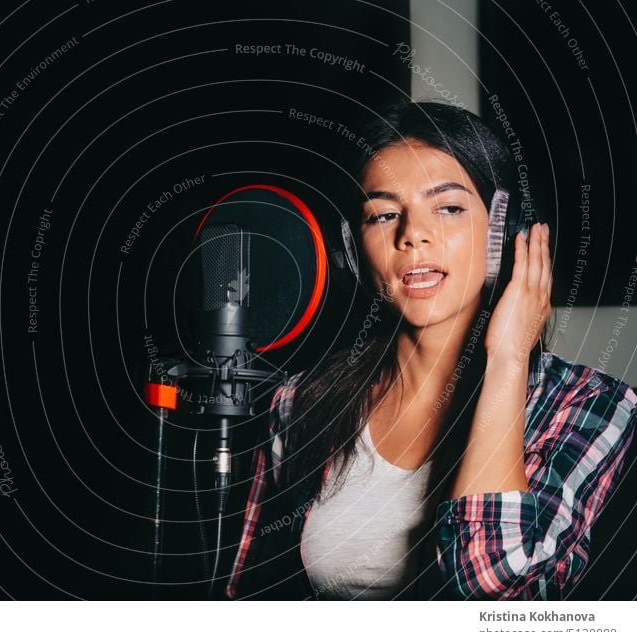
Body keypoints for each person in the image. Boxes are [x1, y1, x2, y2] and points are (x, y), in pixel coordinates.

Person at [225, 101, 637, 600]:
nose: (413, 234)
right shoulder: (296, 405)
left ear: (504, 231)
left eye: (448, 207)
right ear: (354, 250)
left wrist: (509, 358)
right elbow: (250, 598)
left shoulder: (592, 405)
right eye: (384, 215)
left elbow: (495, 597)